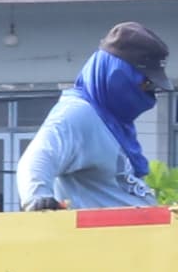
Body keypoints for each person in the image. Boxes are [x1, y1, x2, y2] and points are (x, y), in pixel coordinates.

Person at [17, 22, 169, 209]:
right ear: (118, 76)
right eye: (146, 84)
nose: (150, 94)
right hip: (98, 229)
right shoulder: (78, 114)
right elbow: (37, 159)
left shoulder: (114, 124)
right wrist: (38, 200)